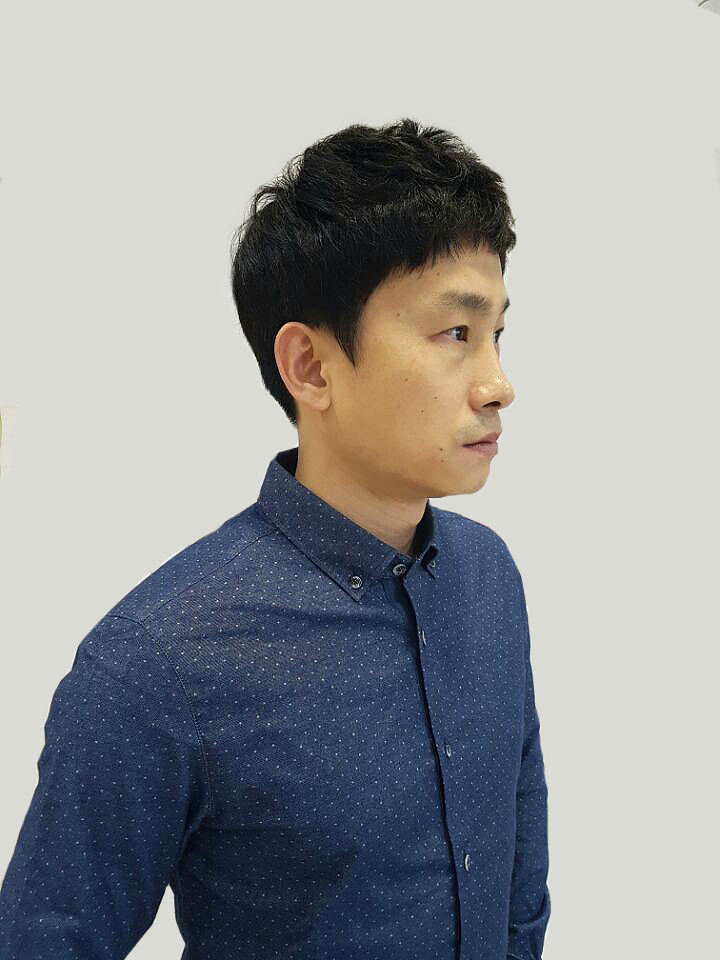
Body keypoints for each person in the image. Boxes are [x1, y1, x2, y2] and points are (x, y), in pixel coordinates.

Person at [0, 117, 550, 959]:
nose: (498, 383)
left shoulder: (487, 578)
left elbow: (517, 884)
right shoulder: (157, 659)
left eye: (497, 335)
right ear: (311, 367)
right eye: (455, 334)